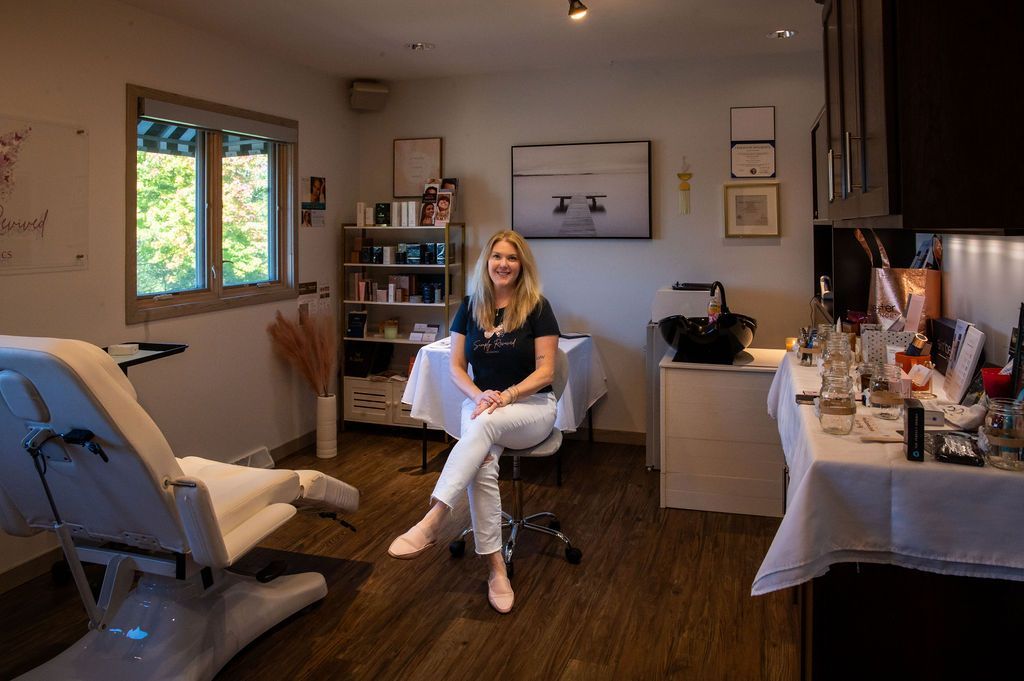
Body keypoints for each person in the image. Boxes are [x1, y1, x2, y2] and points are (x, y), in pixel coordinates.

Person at [388, 230, 560, 614]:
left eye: (512, 258)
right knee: (482, 463)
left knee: (480, 431)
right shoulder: (469, 305)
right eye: (497, 256)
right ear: (486, 262)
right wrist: (478, 395)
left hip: (531, 407)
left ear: (522, 265)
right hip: (482, 404)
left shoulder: (537, 306)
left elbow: (547, 371)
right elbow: (455, 367)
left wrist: (508, 395)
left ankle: (434, 518)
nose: (503, 264)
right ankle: (496, 569)